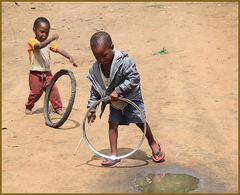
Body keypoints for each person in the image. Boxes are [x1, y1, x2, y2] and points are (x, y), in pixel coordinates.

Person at [87, 31, 165, 166]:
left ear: (112, 47)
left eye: (104, 55)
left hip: (131, 99)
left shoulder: (124, 62)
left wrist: (118, 90)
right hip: (115, 103)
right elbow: (95, 90)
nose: (101, 59)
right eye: (97, 57)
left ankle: (153, 143)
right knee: (112, 123)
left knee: (140, 121)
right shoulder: (95, 69)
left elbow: (134, 78)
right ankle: (113, 155)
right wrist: (92, 108)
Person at [25, 17, 78, 115]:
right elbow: (38, 47)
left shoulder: (49, 43)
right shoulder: (32, 41)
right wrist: (51, 38)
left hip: (47, 72)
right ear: (34, 30)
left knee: (53, 89)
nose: (44, 35)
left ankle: (58, 107)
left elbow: (59, 49)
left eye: (46, 32)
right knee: (36, 92)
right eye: (41, 32)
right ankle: (29, 106)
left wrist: (69, 56)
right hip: (35, 73)